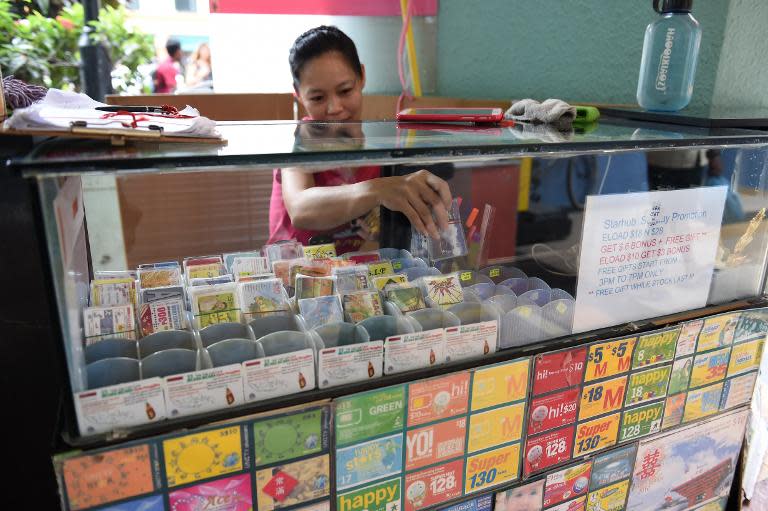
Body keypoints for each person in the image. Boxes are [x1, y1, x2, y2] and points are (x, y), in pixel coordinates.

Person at [268, 25, 452, 254]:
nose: (335, 108)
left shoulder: (379, 148)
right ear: (298, 94)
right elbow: (300, 208)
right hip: (291, 270)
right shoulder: (300, 139)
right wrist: (378, 190)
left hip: (346, 273)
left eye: (345, 91)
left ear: (362, 76)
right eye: (317, 97)